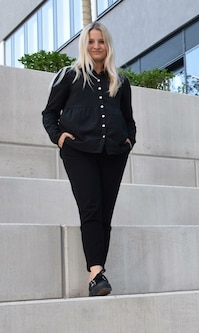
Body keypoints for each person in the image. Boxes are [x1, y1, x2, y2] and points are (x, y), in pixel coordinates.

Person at [42, 22, 136, 297]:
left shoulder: (120, 81)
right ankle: (96, 273)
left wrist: (129, 140)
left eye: (101, 41)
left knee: (105, 212)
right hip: (79, 151)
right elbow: (49, 113)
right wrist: (59, 138)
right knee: (91, 207)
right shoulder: (69, 76)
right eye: (92, 41)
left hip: (114, 153)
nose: (96, 46)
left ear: (108, 46)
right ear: (85, 45)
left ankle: (99, 272)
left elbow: (129, 119)